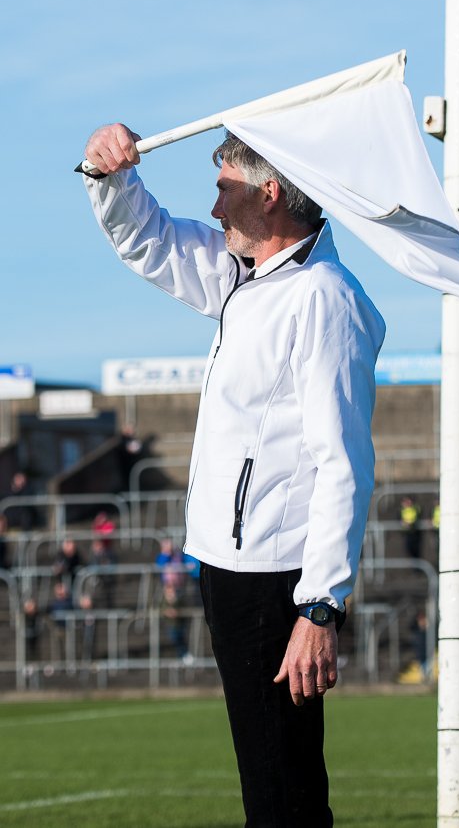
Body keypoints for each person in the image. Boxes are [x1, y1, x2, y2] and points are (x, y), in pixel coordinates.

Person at [82, 122, 385, 828]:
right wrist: (111, 176)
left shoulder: (322, 297)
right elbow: (148, 238)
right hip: (229, 567)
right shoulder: (243, 274)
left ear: (270, 195)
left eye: (225, 190)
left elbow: (345, 464)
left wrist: (319, 606)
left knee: (283, 802)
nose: (215, 209)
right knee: (279, 795)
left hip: (274, 585)